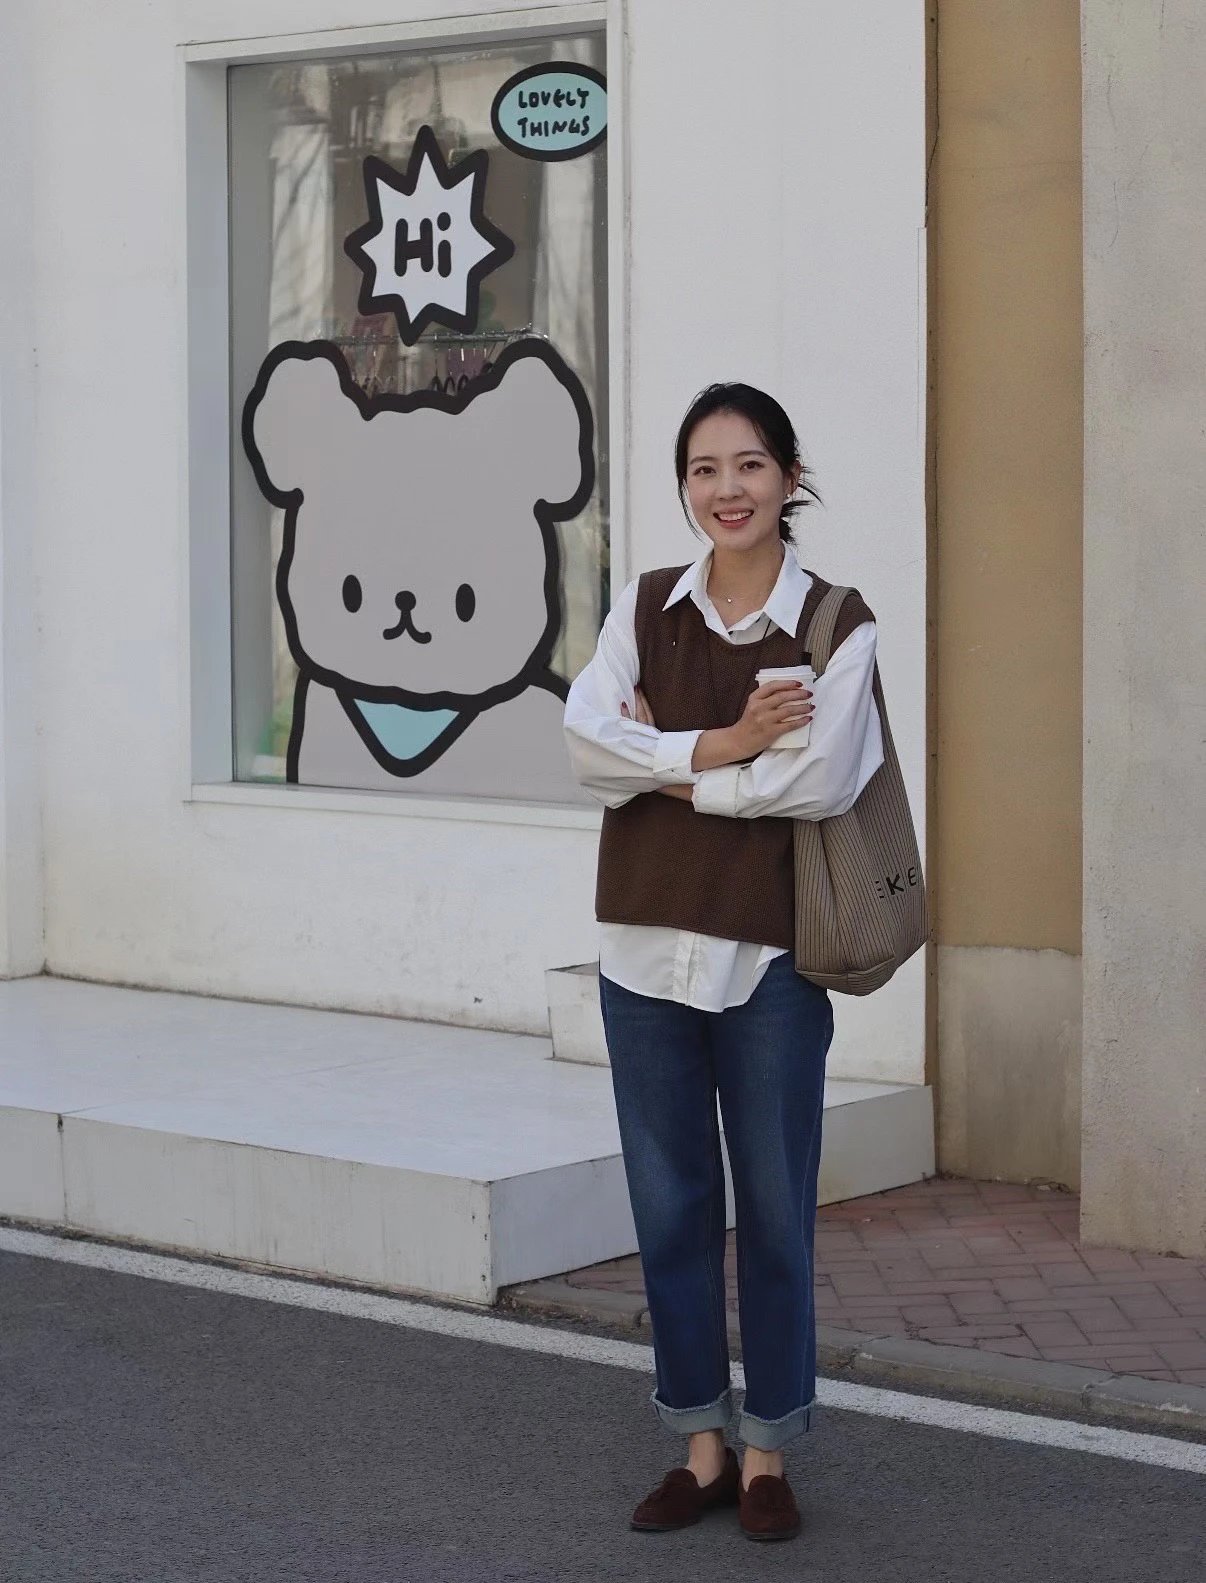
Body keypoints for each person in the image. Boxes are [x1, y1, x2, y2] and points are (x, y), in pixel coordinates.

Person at [562, 382, 883, 1542]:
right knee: (672, 1210)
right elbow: (585, 743)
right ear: (685, 486)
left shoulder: (836, 623)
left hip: (772, 962)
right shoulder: (645, 603)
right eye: (704, 468)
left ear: (789, 477)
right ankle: (700, 1444)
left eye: (750, 464)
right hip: (641, 951)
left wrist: (669, 766)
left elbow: (821, 779)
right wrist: (733, 742)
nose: (727, 488)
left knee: (778, 1214)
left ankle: (768, 1452)